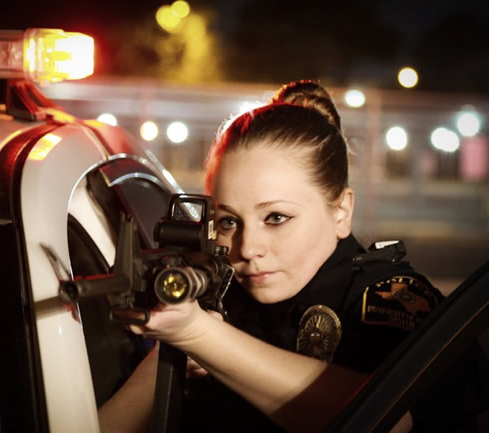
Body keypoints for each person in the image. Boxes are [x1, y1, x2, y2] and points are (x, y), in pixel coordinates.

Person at [98, 80, 444, 433]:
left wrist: (198, 335)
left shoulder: (389, 297)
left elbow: (390, 418)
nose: (247, 248)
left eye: (276, 218)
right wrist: (169, 354)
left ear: (341, 212)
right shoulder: (214, 296)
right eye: (230, 221)